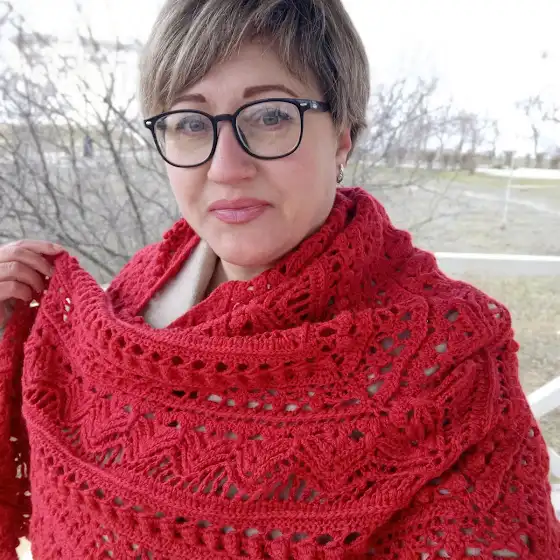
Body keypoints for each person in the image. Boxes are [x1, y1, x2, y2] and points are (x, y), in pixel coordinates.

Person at [0, 1, 558, 558]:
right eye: (190, 123)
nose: (226, 168)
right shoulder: (132, 295)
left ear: (342, 136)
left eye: (270, 116)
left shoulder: (448, 357)